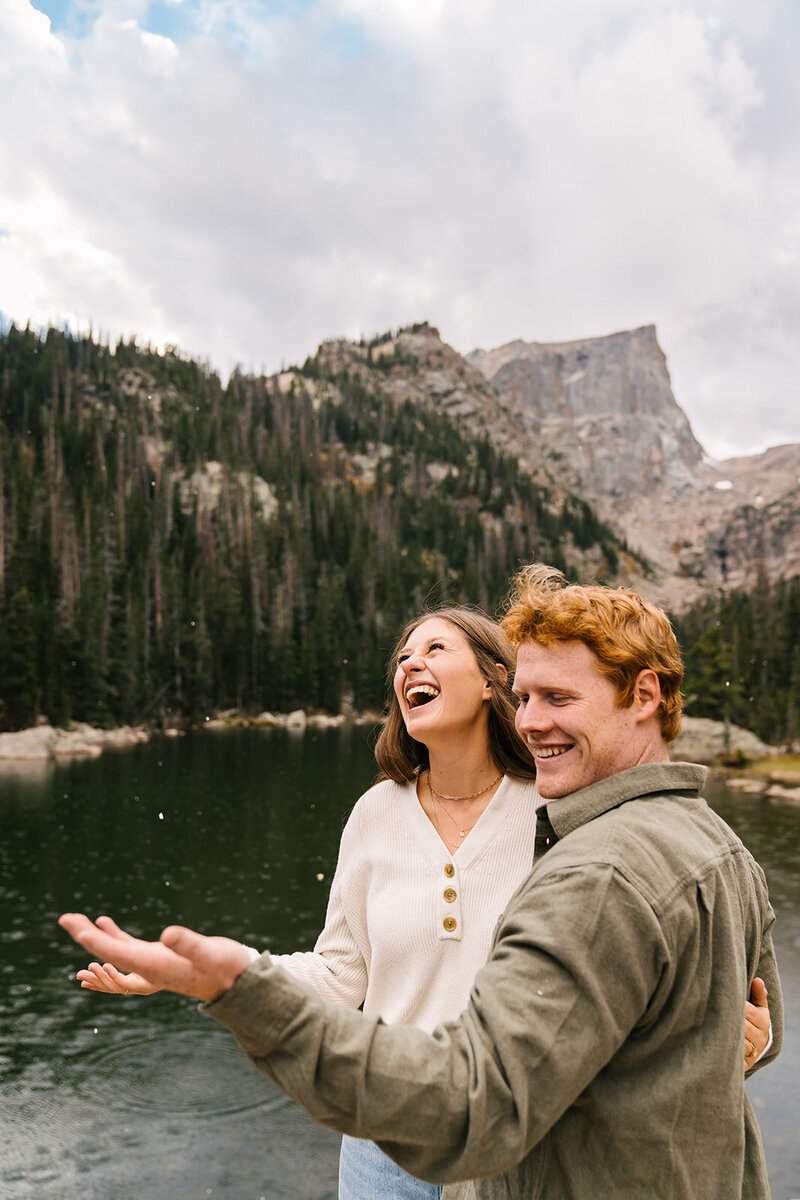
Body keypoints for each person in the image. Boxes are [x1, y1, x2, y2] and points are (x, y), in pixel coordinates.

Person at [61, 571, 781, 1199]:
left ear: (490, 678)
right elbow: (343, 973)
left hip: (509, 1136)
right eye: (402, 657)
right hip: (382, 1141)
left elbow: (681, 988)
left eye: (435, 649)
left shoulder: (562, 812)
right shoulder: (377, 813)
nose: (411, 665)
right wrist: (210, 973)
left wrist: (728, 1036)